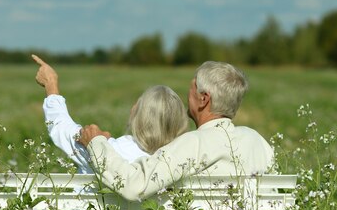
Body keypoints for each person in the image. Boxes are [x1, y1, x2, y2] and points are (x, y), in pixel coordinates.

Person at [78, 61, 275, 201]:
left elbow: (133, 185)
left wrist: (96, 143)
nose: (186, 95)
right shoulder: (257, 141)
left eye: (191, 89)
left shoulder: (194, 143)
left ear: (203, 99)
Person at [32, 54, 189, 174]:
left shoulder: (108, 151)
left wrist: (51, 84)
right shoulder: (180, 160)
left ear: (141, 119)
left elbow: (62, 129)